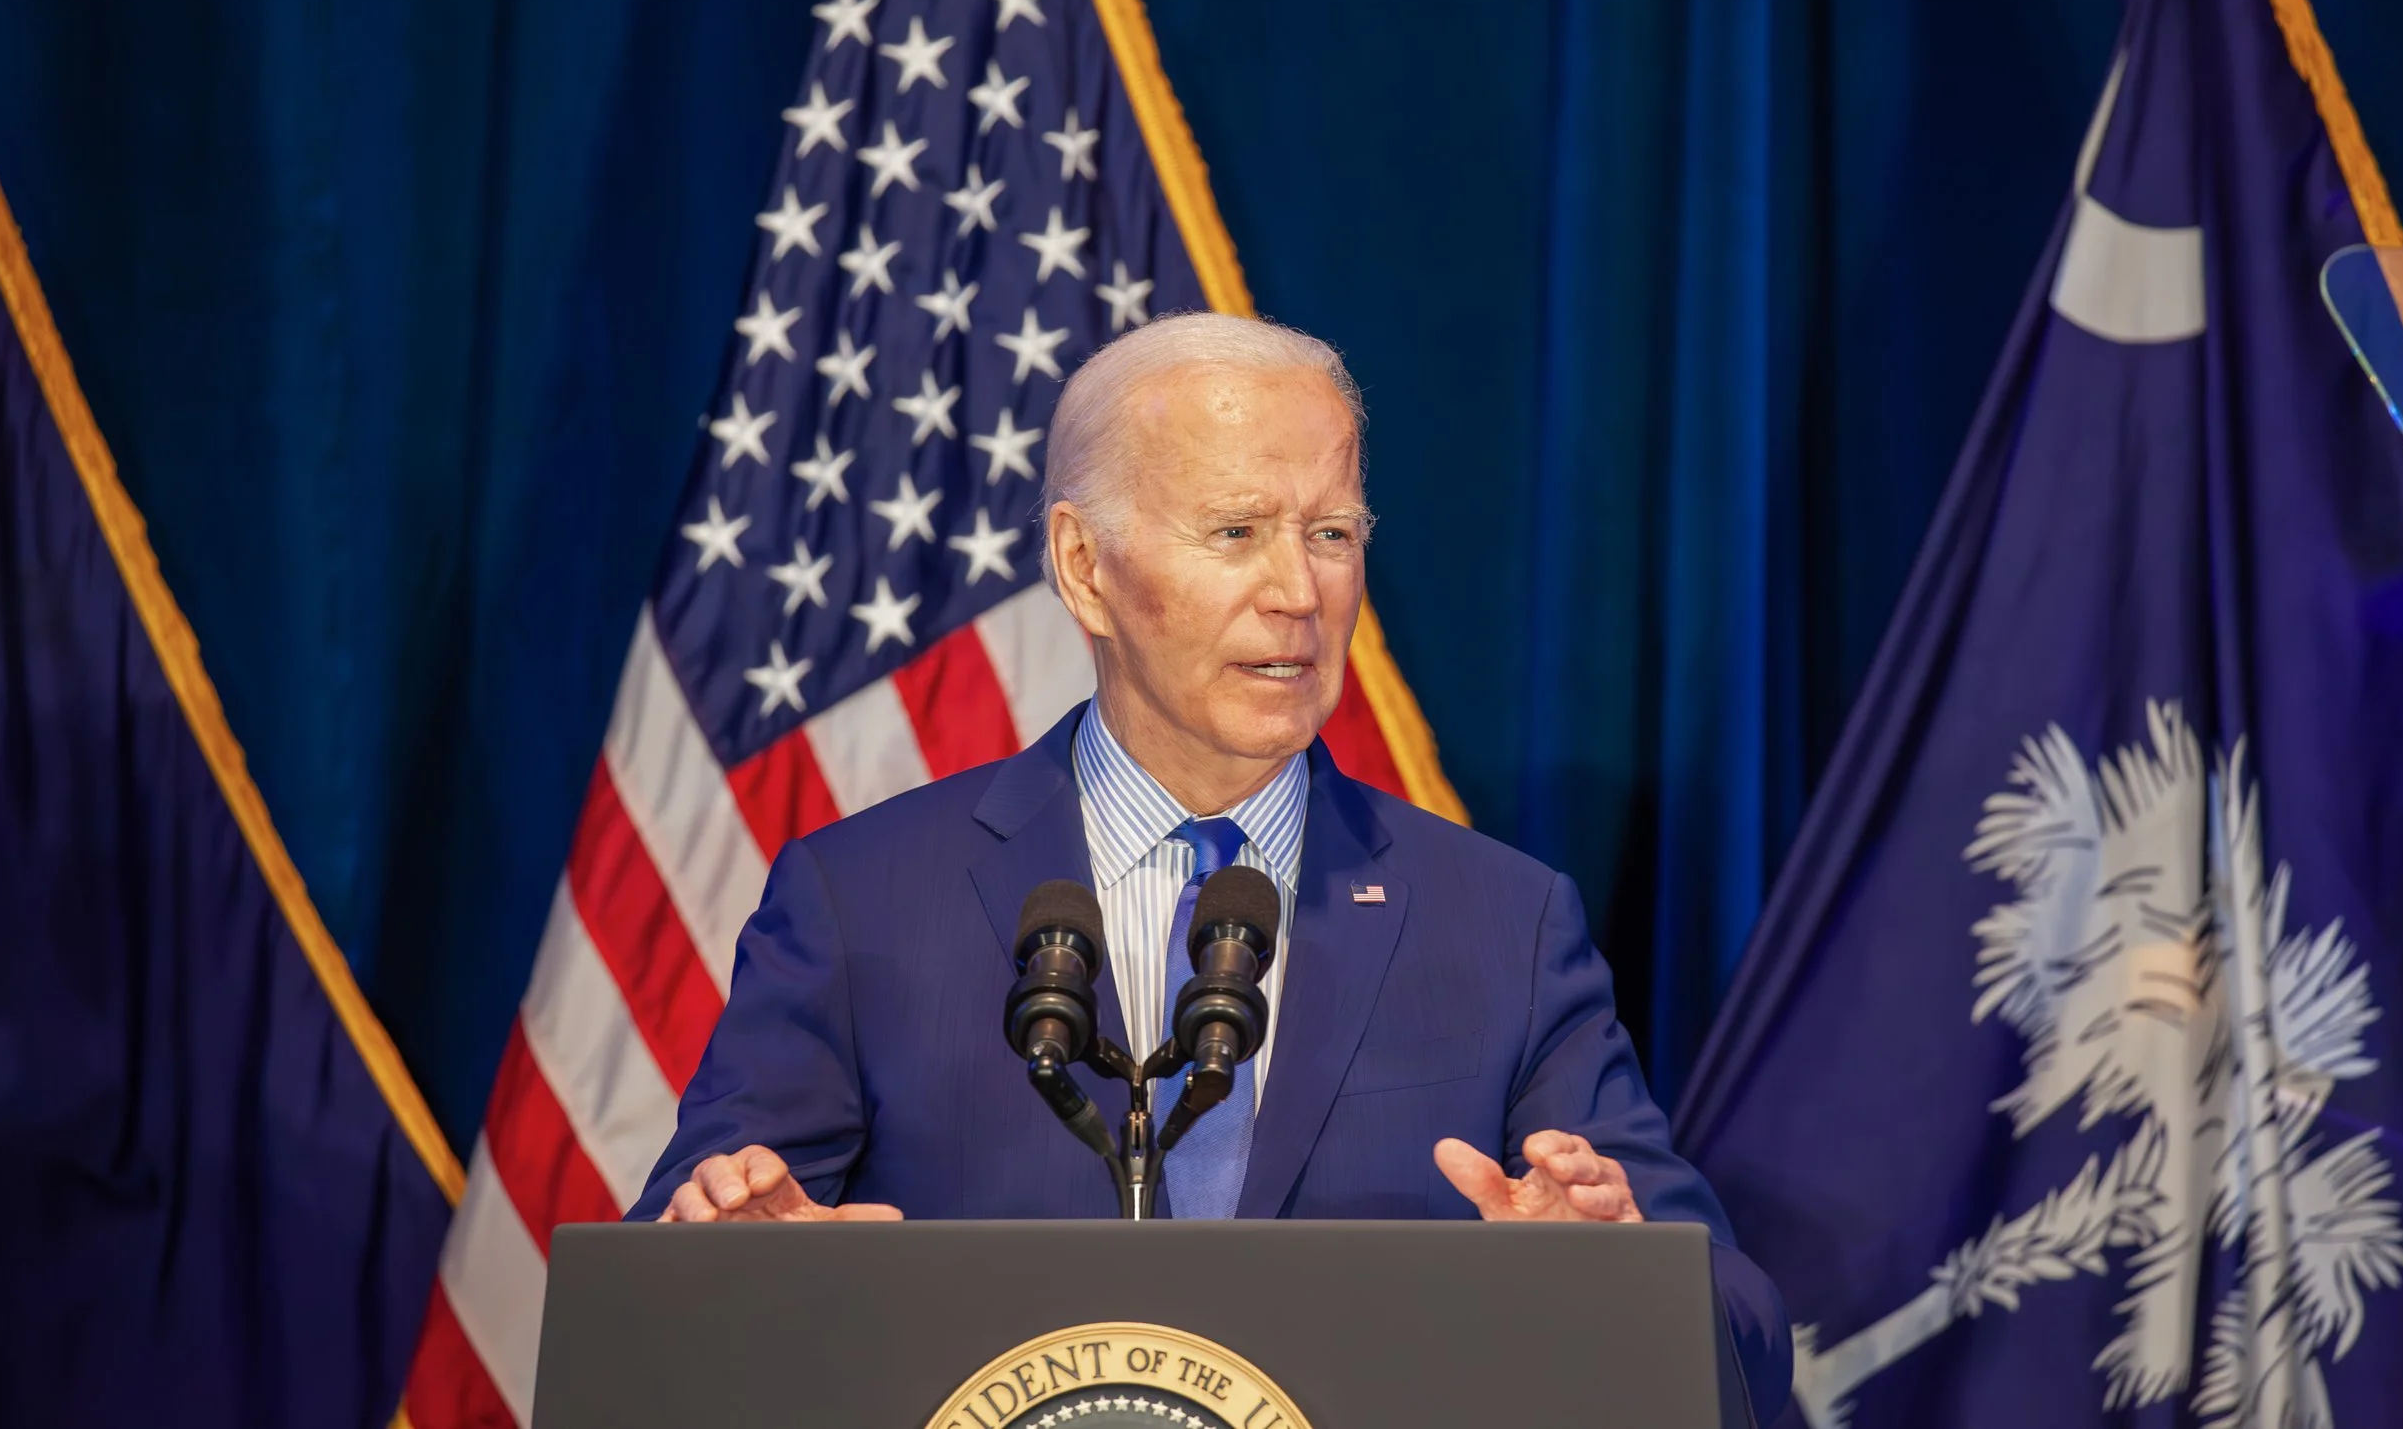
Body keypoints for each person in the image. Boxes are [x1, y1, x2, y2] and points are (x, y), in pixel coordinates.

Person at [628, 312, 1791, 1416]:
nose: (1298, 592)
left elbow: (1740, 1322)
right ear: (1084, 566)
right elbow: (665, 1306)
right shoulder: (862, 902)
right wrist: (740, 1269)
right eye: (1235, 531)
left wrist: (1619, 1276)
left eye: (1331, 534)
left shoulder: (1500, 923)